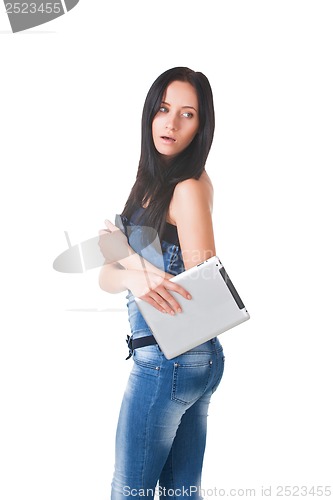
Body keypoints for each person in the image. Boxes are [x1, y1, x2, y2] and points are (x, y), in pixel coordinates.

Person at [99, 67, 225, 500]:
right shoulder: (149, 181)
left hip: (168, 359)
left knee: (127, 493)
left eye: (187, 114)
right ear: (149, 113)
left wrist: (127, 256)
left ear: (201, 125)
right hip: (182, 359)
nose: (171, 123)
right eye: (163, 109)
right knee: (179, 496)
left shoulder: (187, 188)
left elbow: (204, 300)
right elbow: (106, 276)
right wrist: (133, 270)